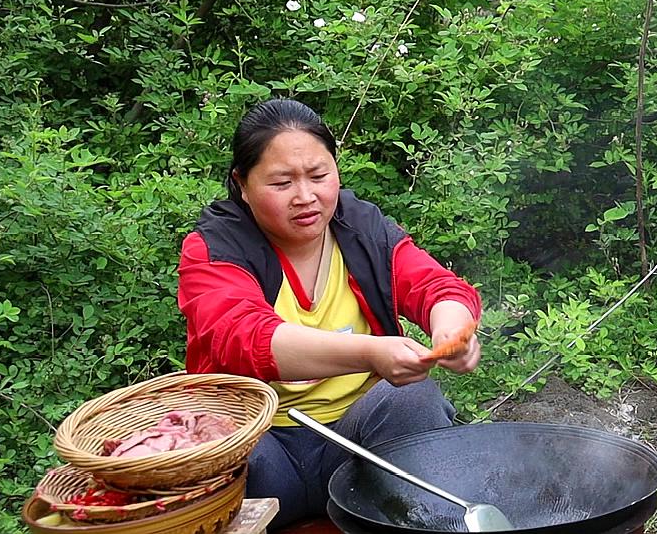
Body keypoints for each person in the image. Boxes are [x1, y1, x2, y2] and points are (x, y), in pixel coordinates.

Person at [177, 98, 482, 528]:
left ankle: (430, 521)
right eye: (281, 183)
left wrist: (454, 329)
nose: (306, 197)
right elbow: (245, 337)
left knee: (413, 397)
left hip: (354, 444)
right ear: (242, 184)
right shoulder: (214, 249)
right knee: (209, 442)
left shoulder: (361, 228)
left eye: (319, 176)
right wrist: (371, 352)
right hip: (262, 450)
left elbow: (435, 286)